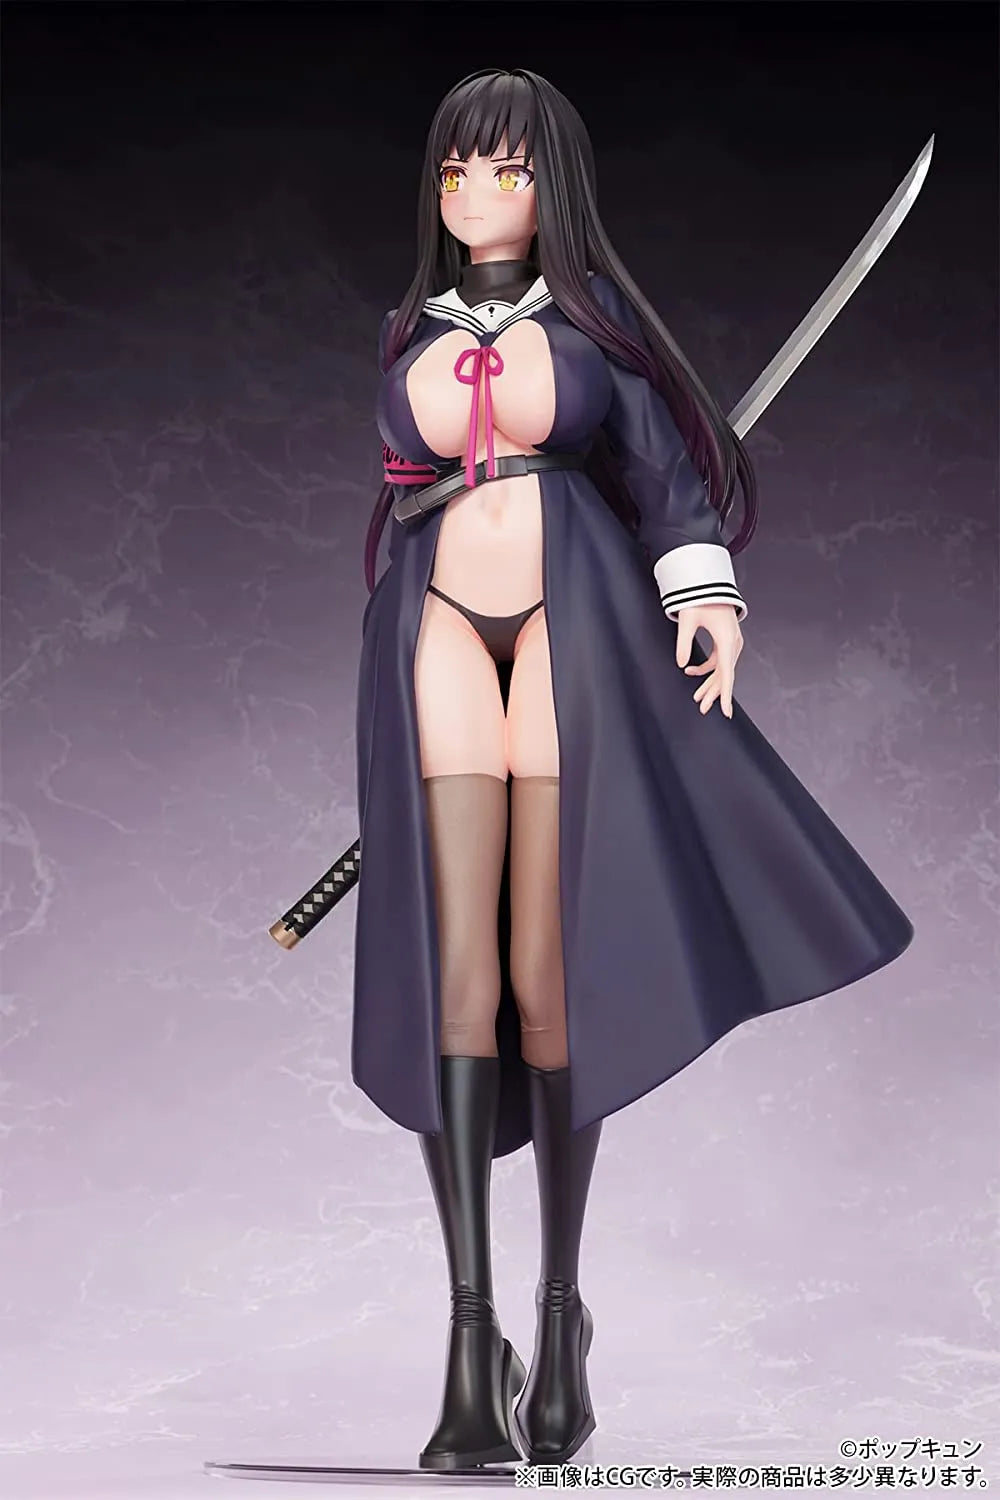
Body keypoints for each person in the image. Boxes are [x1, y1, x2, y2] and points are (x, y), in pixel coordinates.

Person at [351, 68, 914, 1470]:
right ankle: (470, 1343)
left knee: (548, 969)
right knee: (458, 972)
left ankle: (560, 1319)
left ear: (553, 183)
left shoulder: (591, 331)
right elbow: (404, 489)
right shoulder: (411, 331)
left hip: (573, 630)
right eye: (457, 171)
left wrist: (702, 593)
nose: (477, 194)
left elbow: (662, 478)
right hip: (432, 631)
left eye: (507, 169)